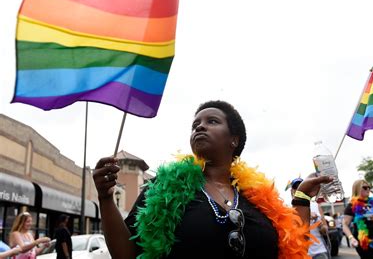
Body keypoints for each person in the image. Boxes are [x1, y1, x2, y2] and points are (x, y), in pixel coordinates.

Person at [93, 100, 331, 259]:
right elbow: (126, 254)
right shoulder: (161, 190)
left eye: (212, 122)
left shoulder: (259, 198)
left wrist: (301, 199)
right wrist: (105, 198)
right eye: (195, 125)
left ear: (234, 140)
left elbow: (291, 249)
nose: (200, 127)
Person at [289, 177, 330, 259]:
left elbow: (325, 229)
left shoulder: (316, 205)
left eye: (301, 186)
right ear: (292, 191)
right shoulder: (287, 209)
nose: (298, 189)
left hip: (319, 251)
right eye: (296, 187)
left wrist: (320, 224)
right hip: (300, 253)